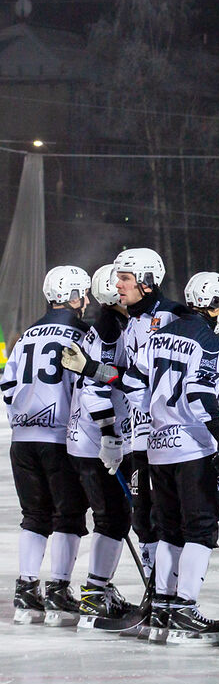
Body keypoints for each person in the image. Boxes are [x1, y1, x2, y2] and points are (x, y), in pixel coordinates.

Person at [132, 272, 219, 645]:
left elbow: (133, 384)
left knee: (169, 530)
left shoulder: (158, 336)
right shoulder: (208, 340)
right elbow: (199, 393)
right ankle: (183, 611)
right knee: (200, 530)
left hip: (158, 447)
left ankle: (162, 608)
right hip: (192, 446)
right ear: (215, 304)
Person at [2, 266, 94, 626]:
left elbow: (7, 386)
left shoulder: (27, 335)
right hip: (59, 440)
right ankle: (58, 590)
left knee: (34, 516)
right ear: (73, 297)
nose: (86, 301)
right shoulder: (81, 335)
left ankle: (26, 591)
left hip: (23, 440)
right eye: (83, 294)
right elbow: (86, 389)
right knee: (68, 516)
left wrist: (23, 417)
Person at [58, 264, 137, 626]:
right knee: (113, 518)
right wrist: (109, 434)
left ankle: (98, 589)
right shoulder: (109, 329)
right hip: (95, 441)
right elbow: (95, 386)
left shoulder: (110, 325)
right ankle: (95, 593)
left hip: (86, 438)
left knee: (114, 517)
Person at [109, 247, 183, 597]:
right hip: (140, 438)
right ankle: (157, 594)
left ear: (147, 282)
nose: (118, 285)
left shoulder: (173, 316)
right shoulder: (132, 322)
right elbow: (128, 377)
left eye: (125, 278)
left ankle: (172, 595)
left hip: (170, 440)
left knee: (171, 521)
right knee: (143, 519)